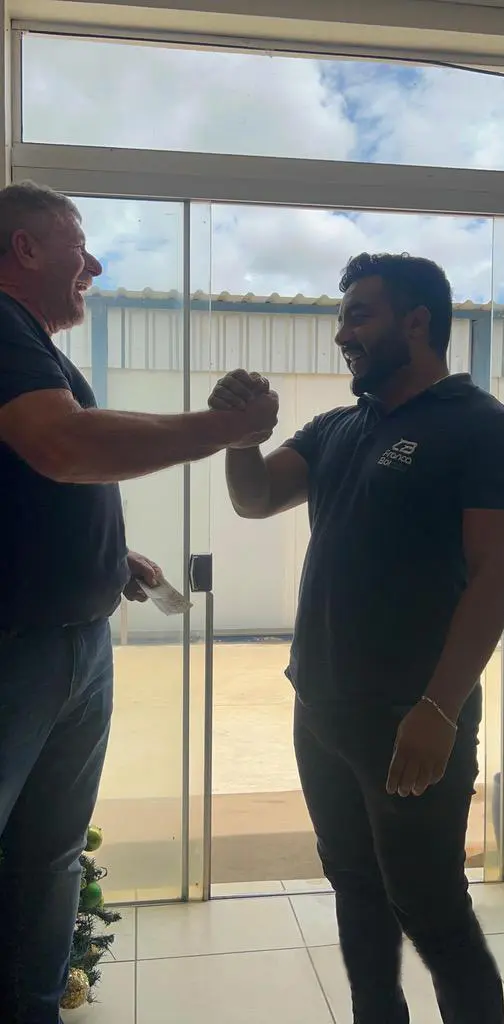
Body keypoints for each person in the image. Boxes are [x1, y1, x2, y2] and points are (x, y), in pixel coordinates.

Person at [210, 252, 504, 1024]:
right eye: (342, 318)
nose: (343, 335)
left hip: (411, 720)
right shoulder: (338, 428)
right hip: (321, 711)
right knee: (355, 890)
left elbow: (499, 573)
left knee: (431, 910)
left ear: (417, 322)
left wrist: (440, 708)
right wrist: (240, 437)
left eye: (359, 315)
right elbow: (255, 498)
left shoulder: (487, 431)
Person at [0, 181, 278, 1024]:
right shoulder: (3, 328)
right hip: (19, 649)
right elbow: (62, 445)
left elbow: (29, 482)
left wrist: (109, 558)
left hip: (71, 642)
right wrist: (222, 430)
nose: (94, 266)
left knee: (47, 860)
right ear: (25, 249)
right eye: (78, 246)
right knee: (38, 859)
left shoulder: (34, 346)